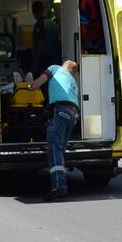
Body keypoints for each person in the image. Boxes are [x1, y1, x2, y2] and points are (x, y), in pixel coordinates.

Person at [30, 60, 80, 201]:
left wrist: (29, 85)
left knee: (54, 149)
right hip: (73, 114)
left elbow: (38, 83)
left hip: (61, 110)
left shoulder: (55, 68)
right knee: (60, 149)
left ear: (64, 65)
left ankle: (59, 186)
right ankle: (60, 182)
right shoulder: (73, 81)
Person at [32, 1, 62, 76]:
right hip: (56, 59)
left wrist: (35, 62)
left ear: (34, 12)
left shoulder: (39, 25)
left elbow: (41, 43)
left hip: (44, 60)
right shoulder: (54, 24)